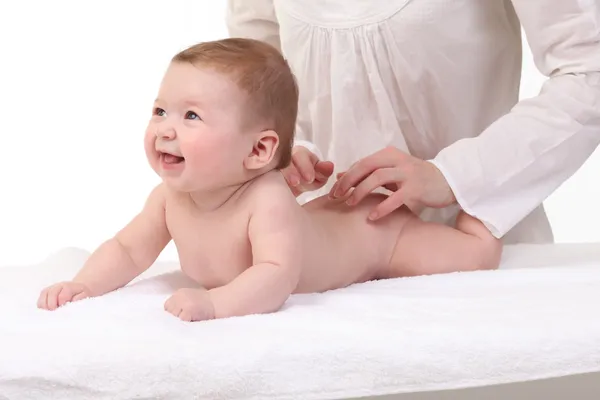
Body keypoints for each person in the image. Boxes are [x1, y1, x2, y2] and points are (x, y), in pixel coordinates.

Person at [36, 38, 501, 321]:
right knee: (321, 220)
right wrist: (85, 285)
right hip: (331, 219)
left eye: (191, 115)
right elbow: (127, 249)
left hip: (378, 235)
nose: (165, 128)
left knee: (474, 257)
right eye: (160, 110)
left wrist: (216, 304)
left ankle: (475, 220)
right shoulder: (168, 198)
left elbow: (276, 275)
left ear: (259, 150)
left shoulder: (266, 199)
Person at [227, 0, 600, 244]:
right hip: (318, 265)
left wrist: (455, 176)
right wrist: (285, 150)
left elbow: (589, 74)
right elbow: (256, 70)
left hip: (480, 254)